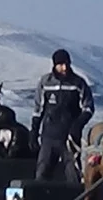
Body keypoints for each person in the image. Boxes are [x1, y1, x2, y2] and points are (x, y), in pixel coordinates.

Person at [31, 49, 94, 182]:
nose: (64, 68)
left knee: (73, 176)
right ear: (54, 65)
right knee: (42, 174)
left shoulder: (78, 83)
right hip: (49, 137)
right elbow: (38, 109)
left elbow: (88, 108)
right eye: (60, 64)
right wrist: (34, 132)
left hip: (70, 139)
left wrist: (77, 125)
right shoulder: (45, 82)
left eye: (66, 64)